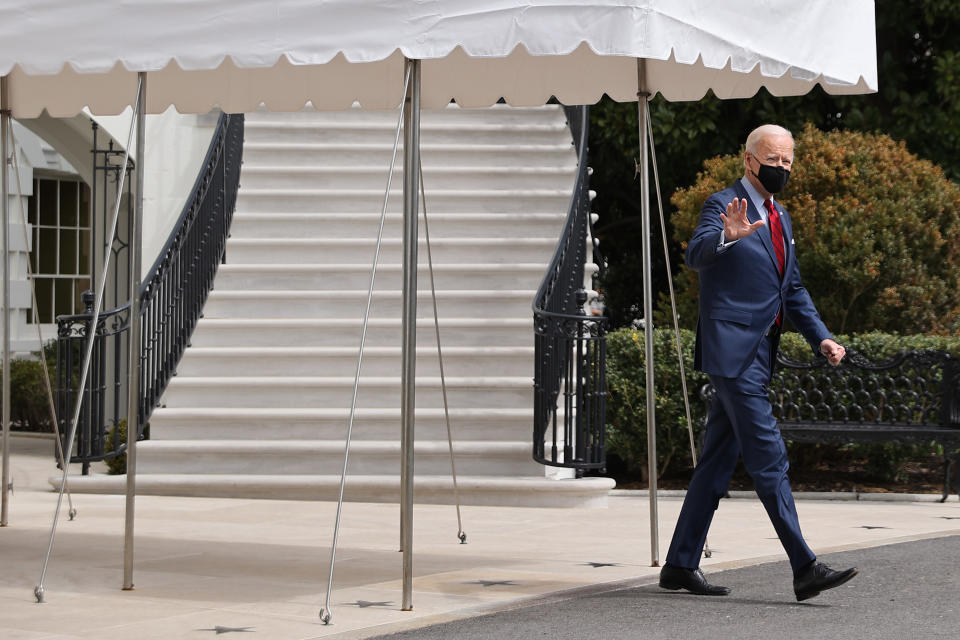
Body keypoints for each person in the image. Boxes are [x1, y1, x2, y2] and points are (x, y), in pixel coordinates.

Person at [658, 124, 858, 602]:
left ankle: (680, 565)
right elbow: (695, 254)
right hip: (731, 354)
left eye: (789, 161)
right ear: (749, 159)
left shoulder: (781, 216)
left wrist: (822, 338)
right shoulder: (723, 204)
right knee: (769, 457)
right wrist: (726, 237)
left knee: (716, 463)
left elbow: (792, 289)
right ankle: (805, 566)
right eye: (774, 159)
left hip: (758, 353)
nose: (781, 168)